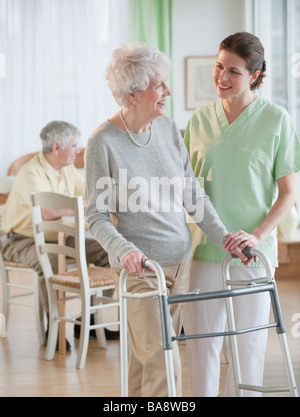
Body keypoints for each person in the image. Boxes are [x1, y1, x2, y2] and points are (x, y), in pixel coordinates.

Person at [84, 42, 247, 397]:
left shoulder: (170, 130)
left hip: (180, 263)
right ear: (133, 92)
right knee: (161, 354)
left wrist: (224, 238)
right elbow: (95, 214)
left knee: (149, 357)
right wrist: (123, 250)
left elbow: (193, 194)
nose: (168, 91)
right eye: (160, 84)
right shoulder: (103, 143)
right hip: (140, 268)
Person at [183, 32, 300, 397]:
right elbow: (185, 189)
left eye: (233, 71)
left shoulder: (277, 121)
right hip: (204, 252)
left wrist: (258, 236)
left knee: (247, 350)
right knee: (202, 348)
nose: (222, 77)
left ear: (255, 74)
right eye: (219, 67)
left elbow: (288, 194)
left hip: (252, 256)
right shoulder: (198, 122)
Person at [1, 121, 111, 347]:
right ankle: (55, 327)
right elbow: (47, 212)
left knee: (108, 252)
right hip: (20, 239)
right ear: (56, 148)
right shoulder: (31, 172)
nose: (78, 151)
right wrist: (80, 207)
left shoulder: (68, 170)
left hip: (59, 236)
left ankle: (87, 322)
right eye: (73, 146)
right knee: (49, 261)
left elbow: (89, 197)